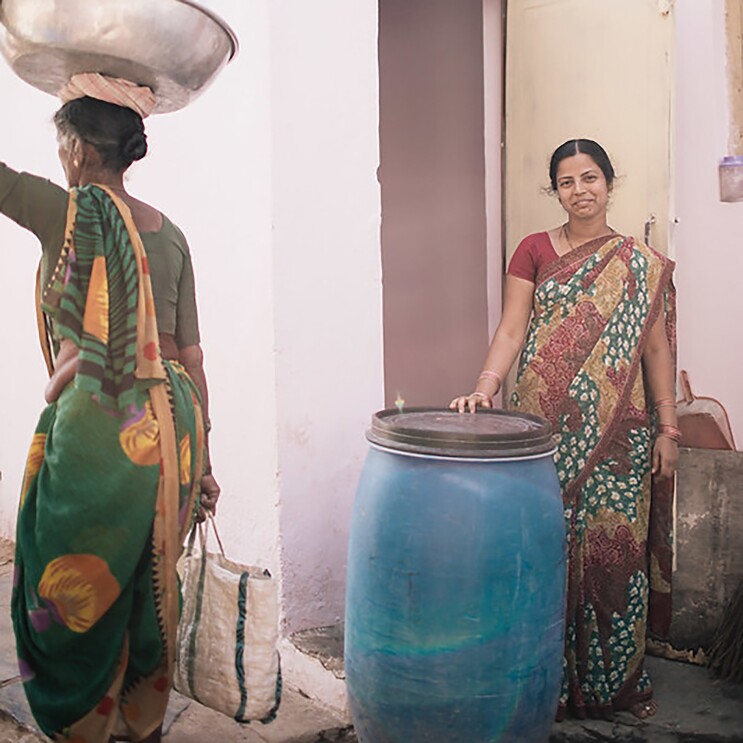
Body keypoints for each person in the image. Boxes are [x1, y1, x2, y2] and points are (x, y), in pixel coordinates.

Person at [2, 75, 220, 742]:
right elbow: (190, 359)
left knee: (69, 587)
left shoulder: (66, 211)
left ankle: (81, 723)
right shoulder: (172, 233)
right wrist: (204, 461)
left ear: (74, 151)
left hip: (102, 433)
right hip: (173, 426)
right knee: (144, 581)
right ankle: (140, 723)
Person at [450, 139, 678, 721]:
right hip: (544, 430)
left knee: (615, 555)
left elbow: (656, 350)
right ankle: (542, 683)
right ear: (555, 191)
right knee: (543, 552)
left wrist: (668, 429)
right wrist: (485, 385)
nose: (580, 191)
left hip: (622, 436)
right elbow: (511, 329)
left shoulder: (639, 264)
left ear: (609, 182)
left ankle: (613, 687)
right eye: (568, 182)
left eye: (591, 178)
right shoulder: (532, 250)